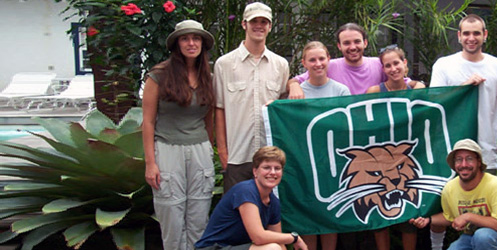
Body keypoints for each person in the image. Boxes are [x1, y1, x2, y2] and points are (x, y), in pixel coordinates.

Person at [428, 14, 497, 250]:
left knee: (485, 218)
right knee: (442, 208)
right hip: (449, 152)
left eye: (476, 33)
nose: (471, 38)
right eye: (466, 33)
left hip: (487, 152)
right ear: (459, 36)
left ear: (485, 35)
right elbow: (435, 103)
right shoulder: (444, 65)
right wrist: (463, 88)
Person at [141, 19, 215, 250]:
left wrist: (210, 148)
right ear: (177, 44)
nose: (191, 43)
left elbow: (209, 117)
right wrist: (150, 163)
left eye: (196, 38)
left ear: (202, 43)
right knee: (171, 215)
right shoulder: (159, 75)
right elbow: (148, 121)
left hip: (200, 149)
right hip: (167, 149)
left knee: (199, 216)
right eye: (185, 38)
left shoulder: (207, 76)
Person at [213, 2, 294, 192]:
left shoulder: (280, 65)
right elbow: (219, 109)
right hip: (237, 157)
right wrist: (223, 153)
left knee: (270, 213)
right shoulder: (224, 64)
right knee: (237, 216)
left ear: (270, 27)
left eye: (264, 22)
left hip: (270, 158)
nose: (259, 26)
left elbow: (282, 107)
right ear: (244, 24)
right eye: (254, 21)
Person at [364, 45, 424, 250]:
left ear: (405, 64)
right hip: (380, 158)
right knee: (380, 213)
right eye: (387, 65)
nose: (393, 68)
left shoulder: (417, 89)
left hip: (408, 158)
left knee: (409, 212)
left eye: (396, 63)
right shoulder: (374, 91)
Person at [409, 139, 497, 250]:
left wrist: (469, 216)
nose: (464, 164)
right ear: (454, 164)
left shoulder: (495, 185)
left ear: (479, 162)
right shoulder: (450, 188)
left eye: (469, 159)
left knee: (483, 237)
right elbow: (450, 217)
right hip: (469, 238)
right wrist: (428, 220)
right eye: (459, 160)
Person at [195, 146, 309, 250]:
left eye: (277, 168)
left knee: (276, 246)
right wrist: (294, 238)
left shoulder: (273, 202)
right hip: (214, 248)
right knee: (271, 249)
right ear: (255, 171)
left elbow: (279, 242)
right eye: (267, 167)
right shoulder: (245, 191)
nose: (272, 172)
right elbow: (259, 237)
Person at [297, 41, 349, 250]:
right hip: (305, 162)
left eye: (321, 59)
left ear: (329, 59)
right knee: (308, 213)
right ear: (304, 63)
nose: (318, 64)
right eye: (312, 60)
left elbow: (346, 129)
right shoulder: (297, 92)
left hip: (332, 163)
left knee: (329, 213)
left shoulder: (341, 90)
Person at [288, 23, 413, 96]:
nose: (352, 47)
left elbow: (403, 82)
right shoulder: (328, 65)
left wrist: (418, 86)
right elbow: (296, 81)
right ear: (339, 46)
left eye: (357, 42)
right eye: (347, 43)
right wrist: (294, 86)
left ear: (365, 43)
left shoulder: (378, 64)